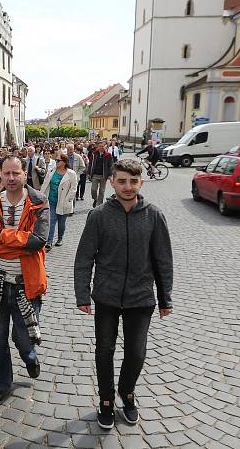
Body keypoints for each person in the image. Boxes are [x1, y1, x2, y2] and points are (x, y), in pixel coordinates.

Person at [74, 159, 174, 430]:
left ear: (141, 181)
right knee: (104, 351)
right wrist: (82, 294)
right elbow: (84, 257)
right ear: (112, 182)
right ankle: (105, 400)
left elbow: (162, 259)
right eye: (122, 181)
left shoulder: (154, 215)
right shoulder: (98, 216)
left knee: (136, 353)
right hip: (106, 296)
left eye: (133, 181)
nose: (127, 187)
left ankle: (127, 393)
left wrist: (165, 298)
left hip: (141, 298)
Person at [0, 156, 49, 408]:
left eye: (15, 173)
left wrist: (0, 236)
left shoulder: (39, 202)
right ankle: (1, 383)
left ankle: (29, 356)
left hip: (26, 283)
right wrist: (18, 243)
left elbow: (38, 241)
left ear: (24, 173)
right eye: (5, 174)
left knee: (23, 338)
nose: (10, 178)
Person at [40, 152, 78, 251]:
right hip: (51, 200)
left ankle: (60, 238)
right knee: (51, 221)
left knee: (61, 223)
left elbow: (73, 188)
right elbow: (45, 184)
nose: (56, 162)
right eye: (56, 160)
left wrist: (68, 199)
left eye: (58, 160)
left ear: (64, 162)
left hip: (63, 202)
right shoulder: (52, 171)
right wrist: (41, 196)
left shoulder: (71, 174)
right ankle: (49, 241)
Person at [89, 142, 114, 208]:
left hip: (103, 176)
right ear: (98, 147)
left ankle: (99, 205)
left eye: (103, 146)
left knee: (102, 191)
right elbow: (90, 164)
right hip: (95, 175)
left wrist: (109, 174)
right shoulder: (94, 154)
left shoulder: (108, 155)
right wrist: (89, 173)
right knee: (93, 190)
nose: (101, 147)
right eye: (100, 146)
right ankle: (95, 199)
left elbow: (111, 165)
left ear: (105, 147)